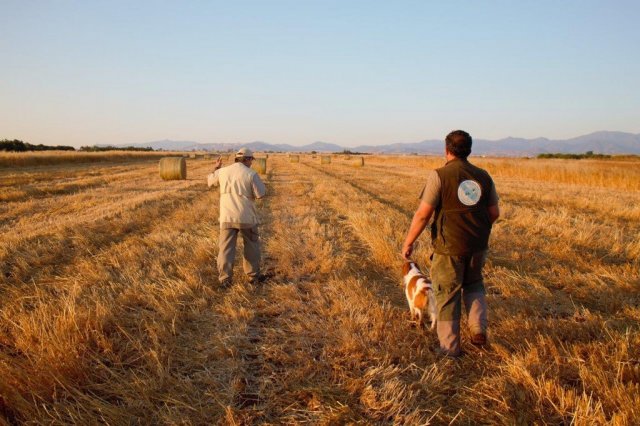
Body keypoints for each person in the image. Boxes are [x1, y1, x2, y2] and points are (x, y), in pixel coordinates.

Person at [401, 130, 500, 357]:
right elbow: (494, 212)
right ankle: (477, 329)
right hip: (478, 245)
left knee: (447, 294)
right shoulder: (484, 176)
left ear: (446, 150)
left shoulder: (440, 176)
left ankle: (450, 348)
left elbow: (423, 215)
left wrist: (408, 242)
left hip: (449, 247)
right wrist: (477, 229)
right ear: (469, 150)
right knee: (474, 285)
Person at [207, 148, 266, 287]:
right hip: (247, 217)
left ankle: (225, 280)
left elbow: (210, 181)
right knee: (251, 247)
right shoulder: (251, 174)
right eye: (251, 159)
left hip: (227, 217)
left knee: (225, 249)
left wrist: (216, 167)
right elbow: (261, 194)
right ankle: (253, 277)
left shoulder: (222, 171)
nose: (252, 162)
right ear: (247, 159)